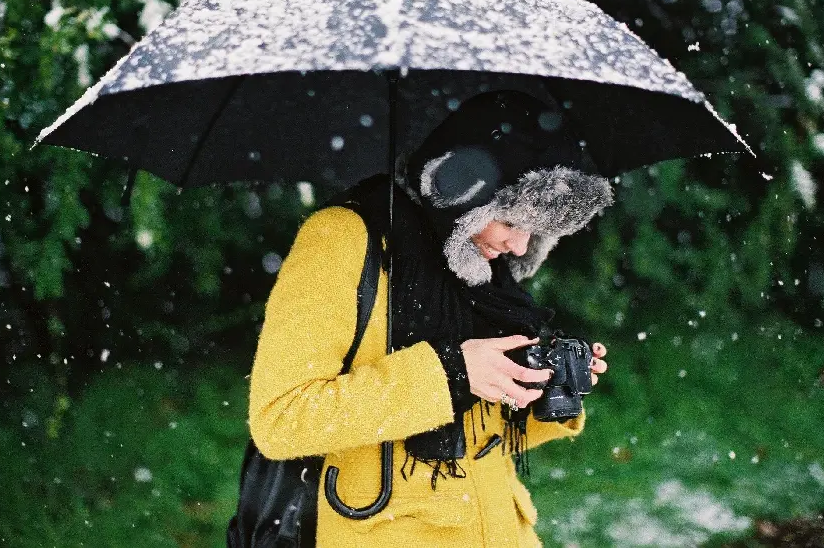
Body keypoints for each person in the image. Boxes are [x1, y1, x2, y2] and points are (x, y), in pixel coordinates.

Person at [247, 89, 613, 547]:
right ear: (465, 192)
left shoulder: (477, 262)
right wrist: (452, 372)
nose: (520, 247)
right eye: (513, 223)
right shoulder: (341, 240)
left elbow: (482, 436)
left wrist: (542, 382)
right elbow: (281, 420)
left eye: (537, 231)